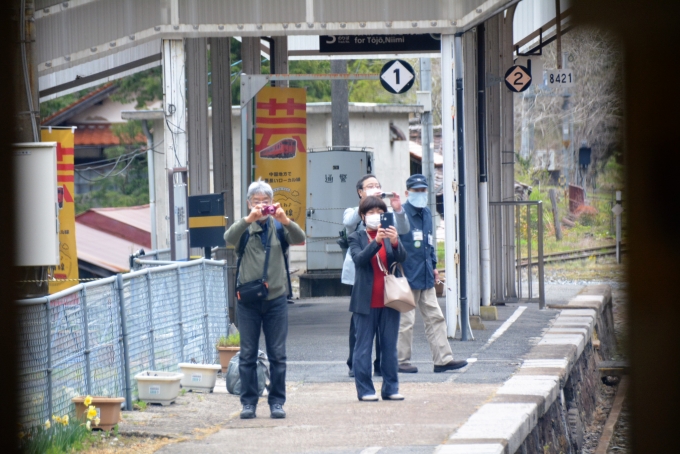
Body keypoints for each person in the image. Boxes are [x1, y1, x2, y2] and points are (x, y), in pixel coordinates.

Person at [224, 180, 306, 420]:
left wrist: (284, 219)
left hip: (276, 299)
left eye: (266, 202)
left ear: (273, 203)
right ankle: (248, 403)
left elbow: (300, 237)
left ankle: (277, 402)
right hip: (248, 301)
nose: (261, 206)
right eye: (256, 202)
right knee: (248, 354)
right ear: (249, 203)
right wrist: (248, 219)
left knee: (277, 354)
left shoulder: (278, 227)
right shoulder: (244, 227)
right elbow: (228, 237)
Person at [397, 174, 468, 374]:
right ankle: (401, 360)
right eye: (415, 190)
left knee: (436, 317)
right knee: (406, 321)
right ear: (407, 193)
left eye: (422, 190)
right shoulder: (401, 215)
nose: (419, 194)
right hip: (406, 276)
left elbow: (430, 242)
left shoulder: (427, 214)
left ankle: (443, 359)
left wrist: (434, 266)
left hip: (426, 275)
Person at [341, 174, 410, 377]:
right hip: (360, 276)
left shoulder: (385, 219)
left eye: (377, 185)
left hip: (385, 280)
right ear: (360, 191)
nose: (374, 188)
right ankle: (356, 364)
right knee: (360, 324)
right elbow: (351, 221)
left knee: (386, 327)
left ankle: (382, 365)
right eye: (369, 186)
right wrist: (367, 203)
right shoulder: (354, 214)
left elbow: (403, 231)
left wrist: (396, 209)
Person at [348, 196, 407, 401]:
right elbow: (359, 260)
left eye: (379, 213)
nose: (375, 216)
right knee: (363, 348)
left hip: (390, 300)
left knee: (390, 348)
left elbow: (401, 258)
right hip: (365, 302)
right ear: (363, 217)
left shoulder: (391, 233)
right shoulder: (356, 237)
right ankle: (365, 390)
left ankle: (391, 388)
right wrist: (377, 242)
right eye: (370, 213)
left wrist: (394, 241)